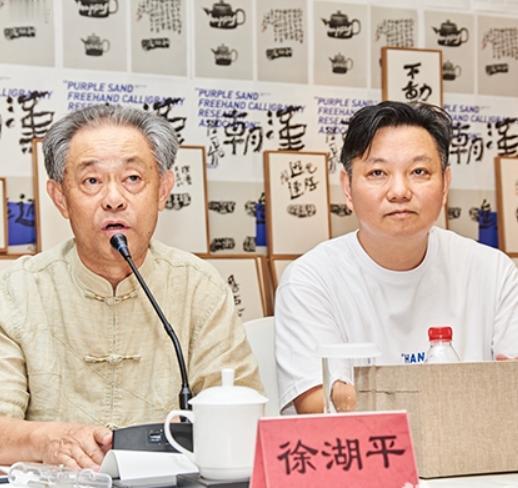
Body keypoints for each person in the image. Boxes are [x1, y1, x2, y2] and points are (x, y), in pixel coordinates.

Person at [0, 105, 262, 469]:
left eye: (133, 178)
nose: (114, 199)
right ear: (60, 197)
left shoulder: (198, 287)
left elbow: (242, 414)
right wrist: (48, 441)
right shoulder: (15, 290)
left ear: (163, 190)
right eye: (92, 181)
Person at [275, 101, 518, 415]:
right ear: (347, 187)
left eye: (419, 172)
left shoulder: (493, 271)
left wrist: (364, 396)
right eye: (378, 173)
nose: (400, 191)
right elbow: (317, 404)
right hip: (368, 447)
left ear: (445, 184)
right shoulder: (310, 280)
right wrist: (465, 396)